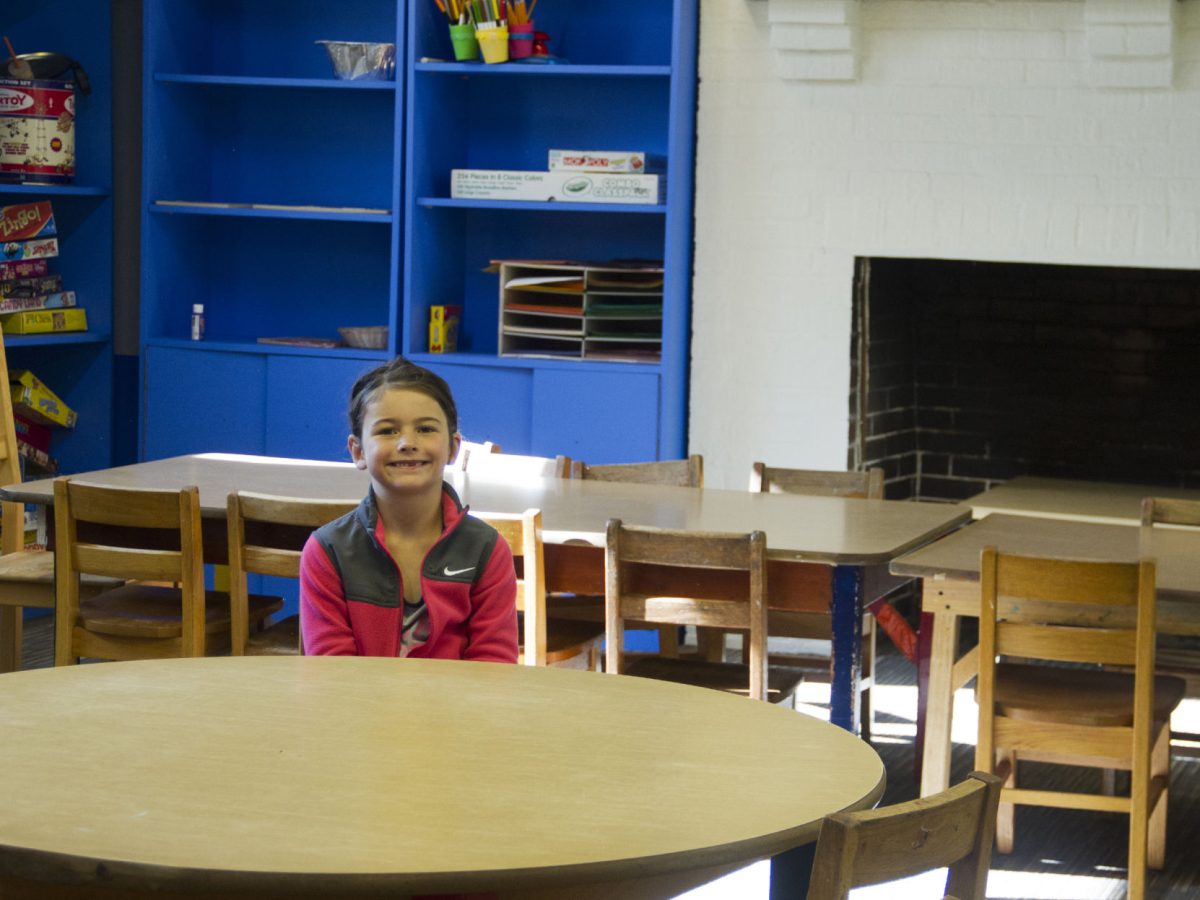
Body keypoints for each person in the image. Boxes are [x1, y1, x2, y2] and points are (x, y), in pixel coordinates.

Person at [300, 357, 518, 661]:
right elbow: (333, 671)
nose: (407, 442)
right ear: (358, 451)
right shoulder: (327, 552)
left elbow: (494, 666)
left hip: (458, 695)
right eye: (387, 431)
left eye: (426, 428)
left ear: (453, 448)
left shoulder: (486, 550)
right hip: (359, 694)